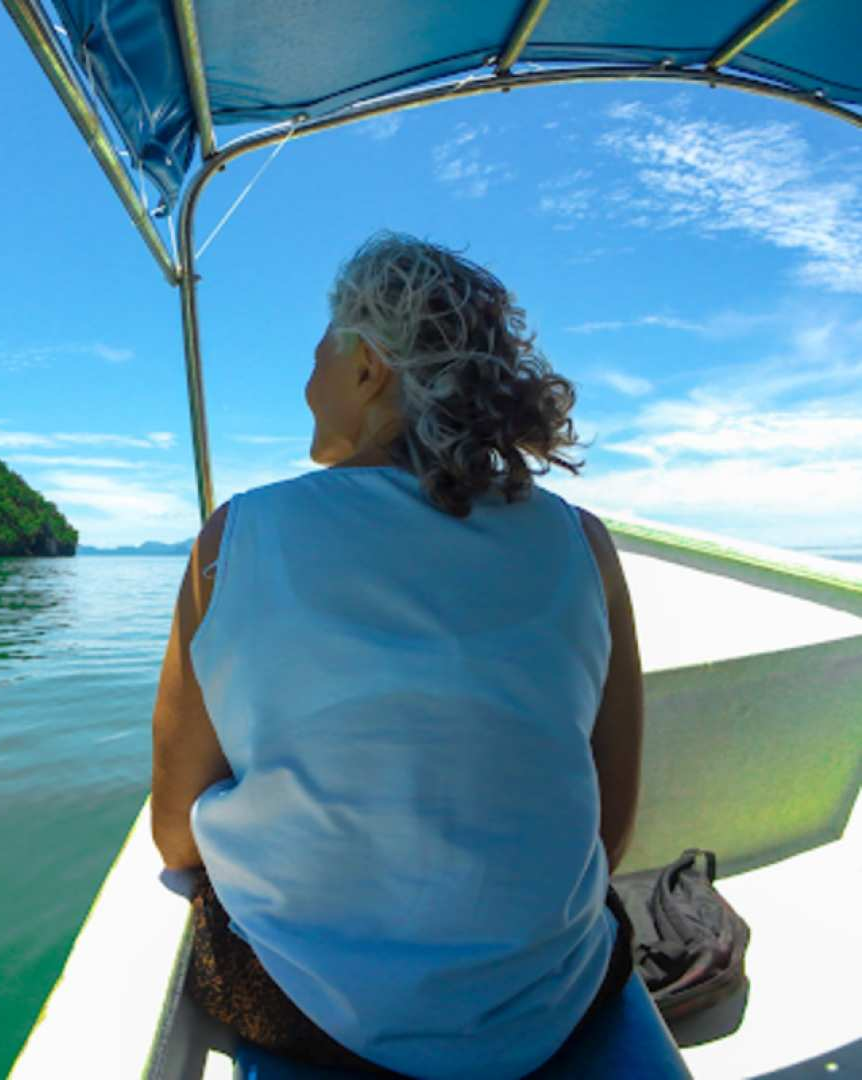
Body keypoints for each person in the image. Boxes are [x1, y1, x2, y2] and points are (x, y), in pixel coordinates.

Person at [150, 231, 645, 1079]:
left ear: (369, 367)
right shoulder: (582, 545)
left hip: (303, 1014)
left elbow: (174, 835)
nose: (306, 382)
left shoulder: (234, 539)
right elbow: (610, 828)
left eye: (318, 354)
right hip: (551, 1004)